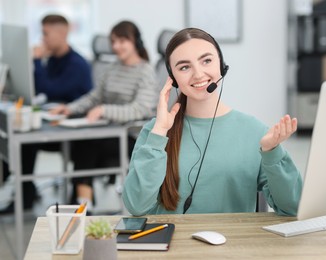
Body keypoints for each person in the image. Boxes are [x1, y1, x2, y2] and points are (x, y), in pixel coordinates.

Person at [122, 28, 303, 216]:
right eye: (184, 67)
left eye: (206, 61)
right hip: (171, 243)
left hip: (230, 243)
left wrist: (272, 153)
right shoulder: (155, 131)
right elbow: (136, 206)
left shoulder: (254, 132)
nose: (198, 74)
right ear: (173, 79)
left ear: (221, 65)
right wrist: (160, 132)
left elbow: (293, 207)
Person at [51, 20, 158, 212]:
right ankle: (83, 203)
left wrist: (104, 110)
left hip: (131, 136)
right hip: (107, 132)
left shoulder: (146, 72)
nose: (116, 46)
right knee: (84, 143)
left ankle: (81, 203)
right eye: (113, 42)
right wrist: (70, 108)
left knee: (87, 145)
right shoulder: (112, 68)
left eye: (122, 41)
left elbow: (140, 109)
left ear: (136, 42)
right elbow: (95, 97)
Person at [0, 14, 93, 214]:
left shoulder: (77, 64)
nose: (42, 39)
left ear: (62, 33)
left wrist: (35, 60)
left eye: (45, 34)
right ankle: (25, 193)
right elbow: (39, 89)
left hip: (76, 132)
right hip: (55, 123)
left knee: (26, 140)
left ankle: (26, 195)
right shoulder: (53, 60)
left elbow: (50, 89)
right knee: (20, 137)